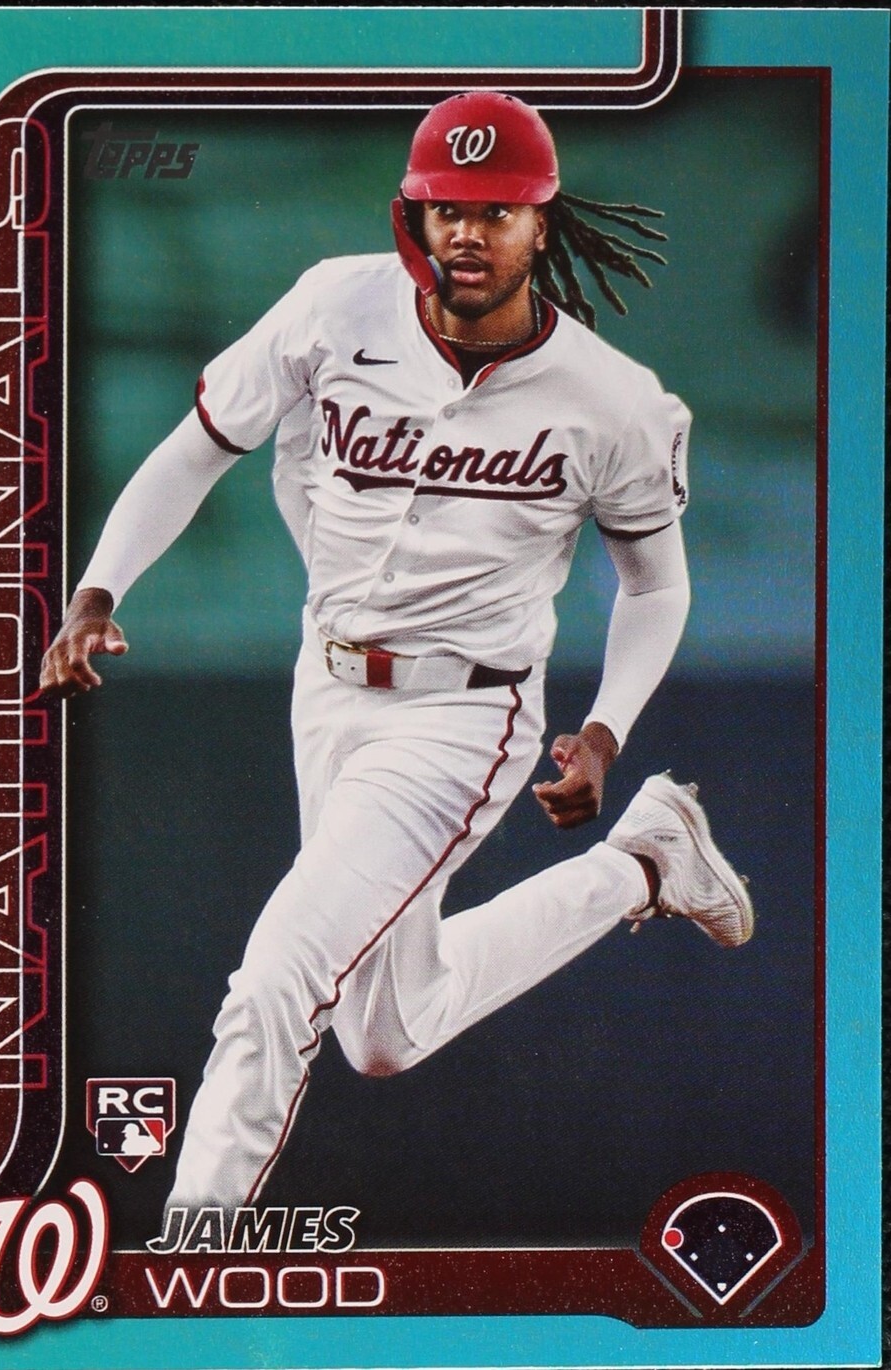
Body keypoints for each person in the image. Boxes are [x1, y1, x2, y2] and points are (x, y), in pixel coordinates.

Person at [40, 91, 753, 1216]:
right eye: (446, 208)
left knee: (277, 976)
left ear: (543, 223)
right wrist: (96, 591)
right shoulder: (337, 304)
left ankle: (195, 1250)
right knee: (385, 1030)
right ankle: (647, 864)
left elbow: (656, 586)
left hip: (464, 716)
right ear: (411, 216)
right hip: (325, 685)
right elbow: (197, 448)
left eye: (497, 210)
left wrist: (607, 729)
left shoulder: (613, 401)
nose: (468, 232)